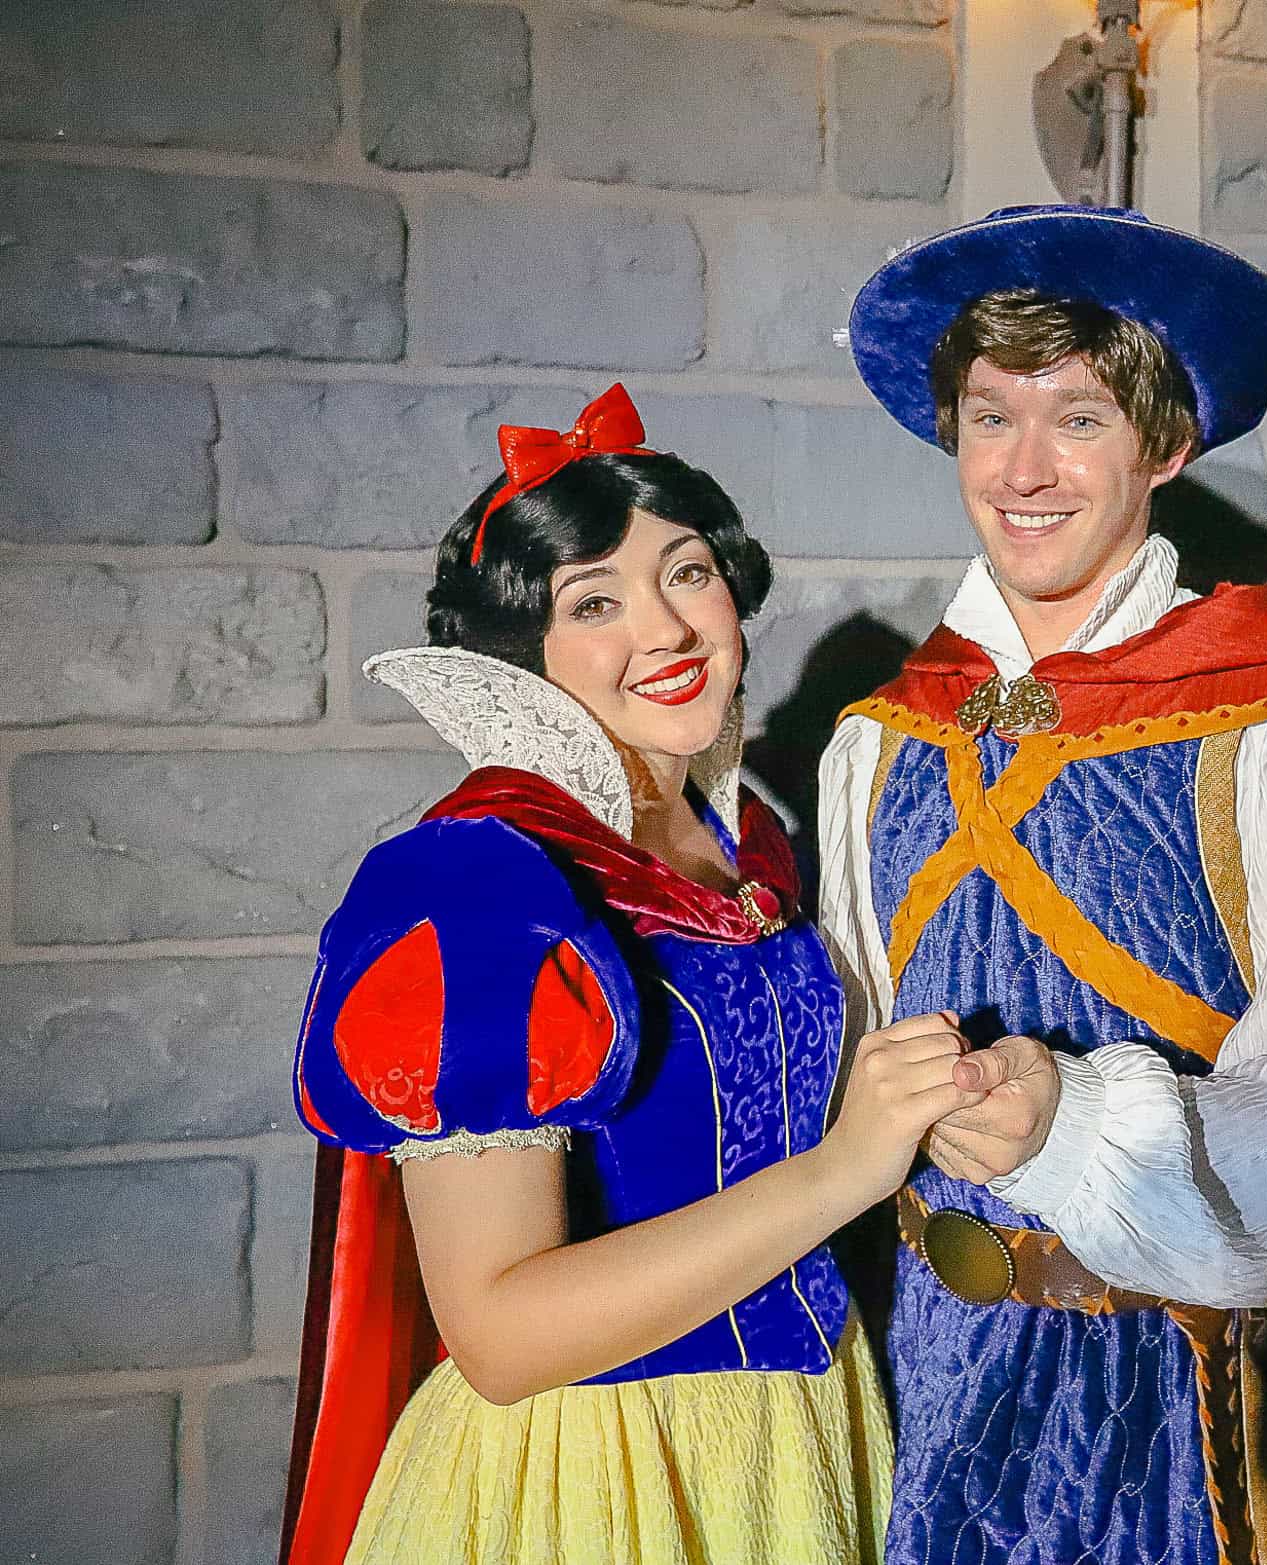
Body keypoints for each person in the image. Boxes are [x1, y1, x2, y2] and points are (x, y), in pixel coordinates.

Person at [820, 207, 1267, 1564]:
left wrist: (1073, 1129)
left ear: (1167, 445)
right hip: (923, 1380)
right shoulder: (876, 741)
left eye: (1077, 418)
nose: (1023, 468)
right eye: (988, 416)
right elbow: (846, 1048)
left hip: (1178, 1395)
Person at [280, 385, 989, 1565]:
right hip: (595, 1471)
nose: (664, 628)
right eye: (593, 600)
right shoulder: (476, 885)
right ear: (524, 654)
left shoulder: (745, 836)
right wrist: (848, 1168)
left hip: (803, 1433)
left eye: (689, 571)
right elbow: (501, 1332)